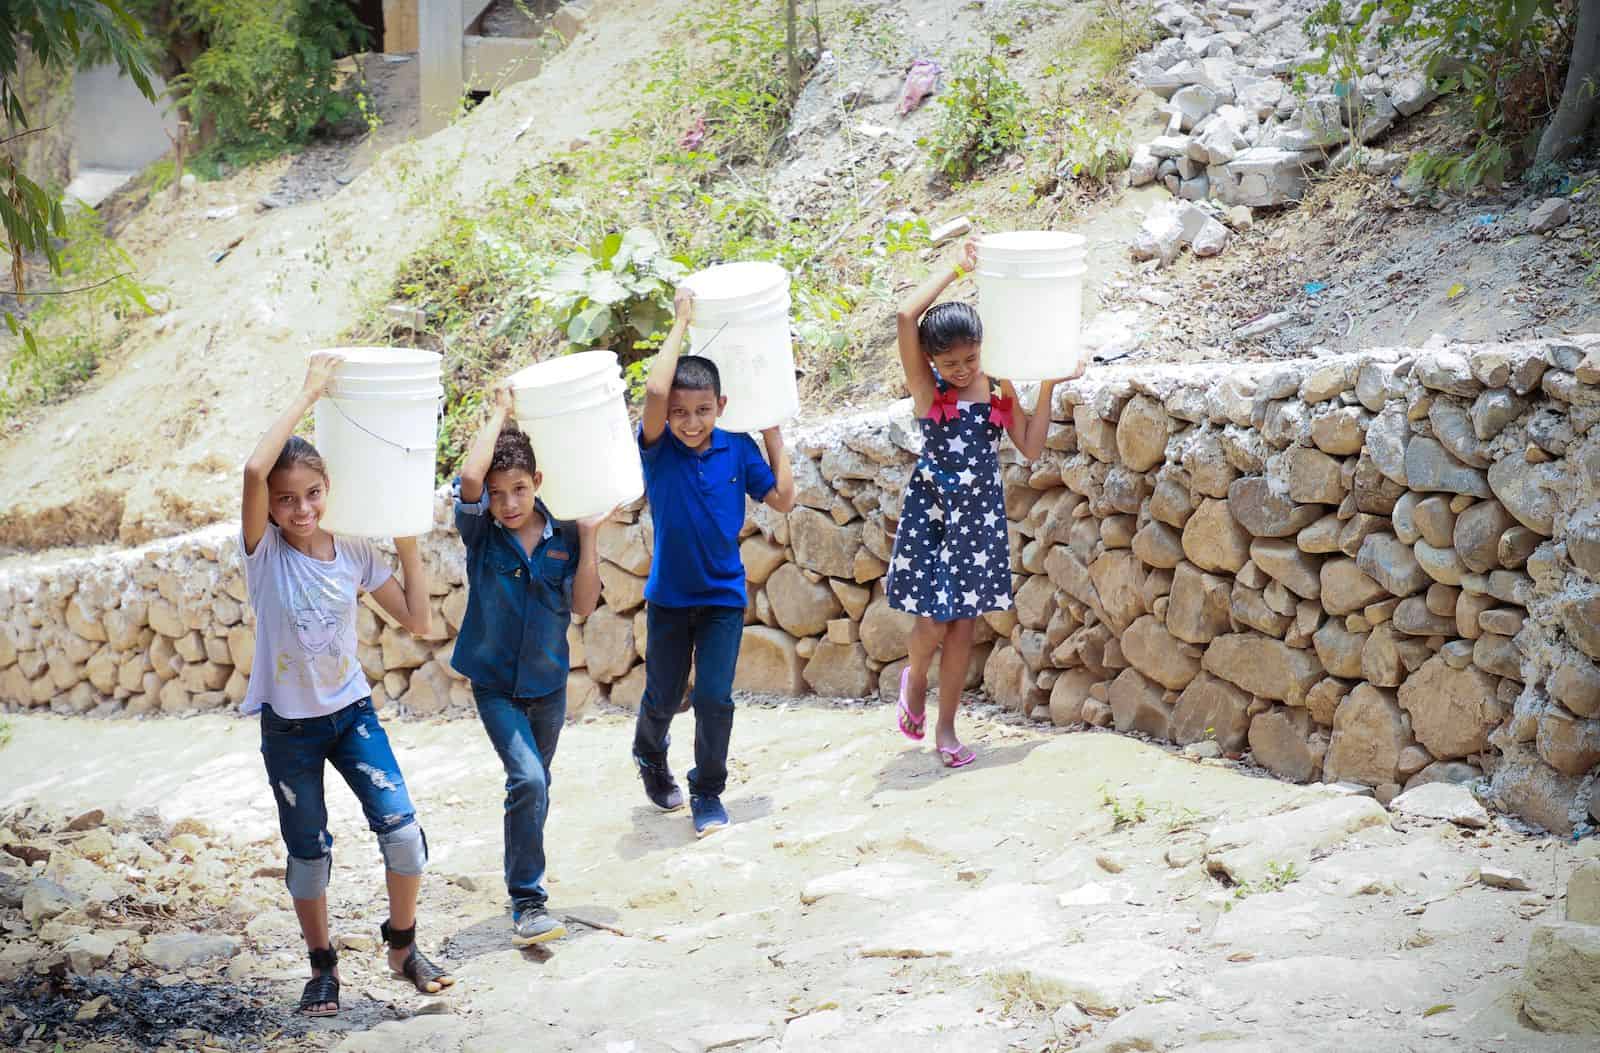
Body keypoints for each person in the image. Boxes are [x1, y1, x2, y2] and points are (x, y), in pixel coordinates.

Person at [240, 351, 454, 1017]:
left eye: (311, 493)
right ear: (269, 509)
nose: (300, 508)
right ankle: (322, 964)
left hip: (351, 715)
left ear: (328, 489)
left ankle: (402, 944)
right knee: (309, 855)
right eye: (285, 499)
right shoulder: (262, 555)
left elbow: (417, 620)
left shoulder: (354, 551)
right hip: (289, 730)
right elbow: (253, 468)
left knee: (403, 833)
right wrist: (310, 392)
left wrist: (409, 546)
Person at [887, 242, 1080, 767]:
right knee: (933, 623)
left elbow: (1032, 445)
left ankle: (946, 731)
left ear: (983, 348)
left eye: (970, 358)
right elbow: (907, 315)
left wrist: (1045, 387)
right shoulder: (929, 393)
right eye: (948, 363)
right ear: (931, 362)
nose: (960, 369)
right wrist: (956, 267)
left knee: (963, 628)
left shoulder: (998, 387)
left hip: (978, 521)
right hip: (934, 515)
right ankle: (916, 676)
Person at [631, 286, 796, 836]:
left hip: (724, 595)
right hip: (671, 598)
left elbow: (782, 498)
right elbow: (656, 390)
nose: (691, 421)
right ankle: (650, 753)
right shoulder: (659, 449)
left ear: (721, 407)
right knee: (663, 694)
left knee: (714, 698)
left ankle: (707, 790)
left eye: (703, 410)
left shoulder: (737, 445)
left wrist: (773, 430)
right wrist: (681, 321)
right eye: (680, 412)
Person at [451, 383, 605, 947]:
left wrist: (589, 538)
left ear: (537, 484)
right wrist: (499, 412)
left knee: (534, 787)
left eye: (518, 490)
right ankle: (529, 902)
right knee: (528, 779)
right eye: (498, 494)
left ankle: (526, 889)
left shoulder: (564, 533)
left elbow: (585, 605)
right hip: (494, 685)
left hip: (548, 685)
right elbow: (468, 481)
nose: (508, 503)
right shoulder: (480, 535)